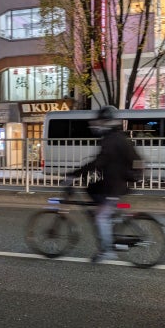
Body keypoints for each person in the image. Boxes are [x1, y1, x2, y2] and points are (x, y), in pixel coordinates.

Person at [63, 105, 142, 263]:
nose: (97, 125)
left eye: (100, 121)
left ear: (106, 122)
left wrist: (74, 174)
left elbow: (99, 162)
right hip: (120, 182)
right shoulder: (122, 138)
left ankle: (107, 251)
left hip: (114, 186)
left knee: (100, 216)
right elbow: (135, 160)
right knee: (92, 188)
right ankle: (108, 217)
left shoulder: (110, 140)